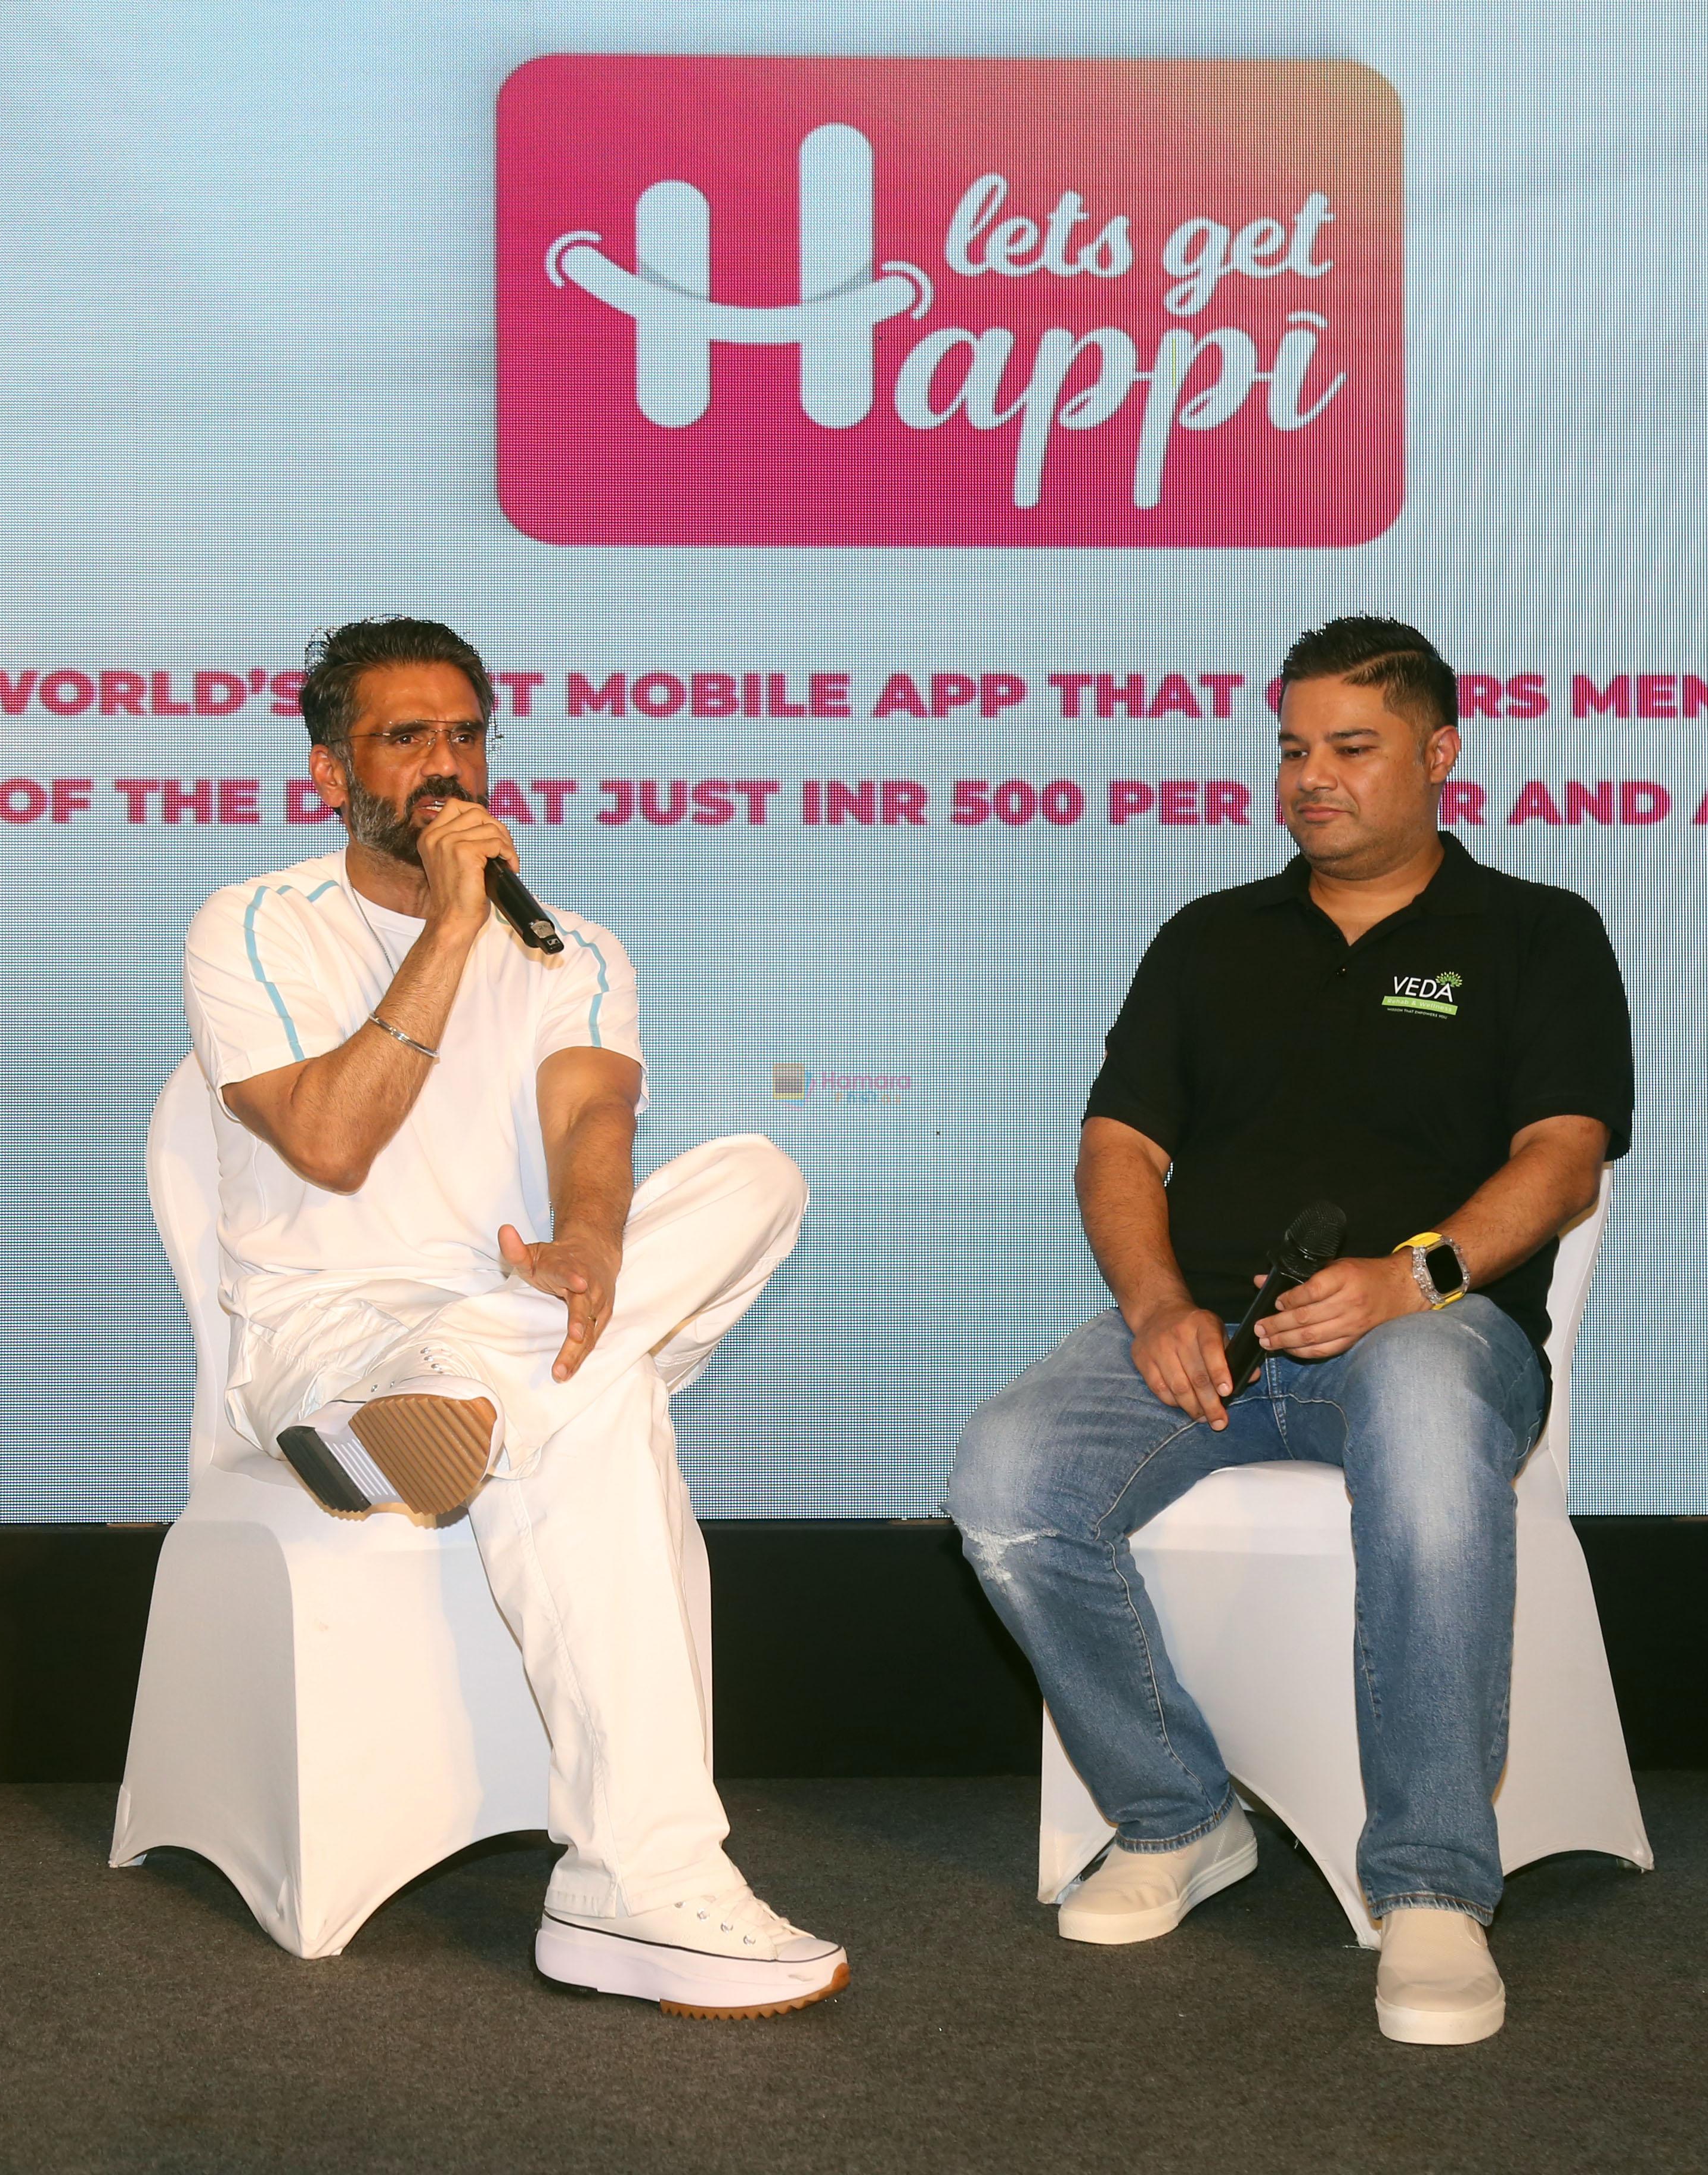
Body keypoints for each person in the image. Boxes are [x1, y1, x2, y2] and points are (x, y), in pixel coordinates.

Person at [948, 615, 1632, 2045]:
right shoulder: (1212, 941)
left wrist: (1413, 1276)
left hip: (1431, 1336)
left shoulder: (1536, 933)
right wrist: (1155, 1308)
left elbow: (1563, 1157)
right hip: (1217, 1343)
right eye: (1293, 749)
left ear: (1440, 755)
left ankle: (1436, 1885)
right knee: (1007, 1481)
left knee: (1432, 1430)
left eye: (1351, 748)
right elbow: (1119, 1150)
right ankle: (1177, 1813)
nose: (1310, 778)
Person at [179, 615, 846, 2018]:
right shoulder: (255, 926)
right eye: (403, 737)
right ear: (326, 770)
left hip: (507, 1313)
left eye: (464, 736)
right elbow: (336, 1142)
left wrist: (592, 1247)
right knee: (601, 1402)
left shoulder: (573, 945)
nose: (443, 764)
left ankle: (476, 1396)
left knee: (754, 1179)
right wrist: (452, 926)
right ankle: (634, 1882)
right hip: (334, 1342)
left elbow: (592, 1114)